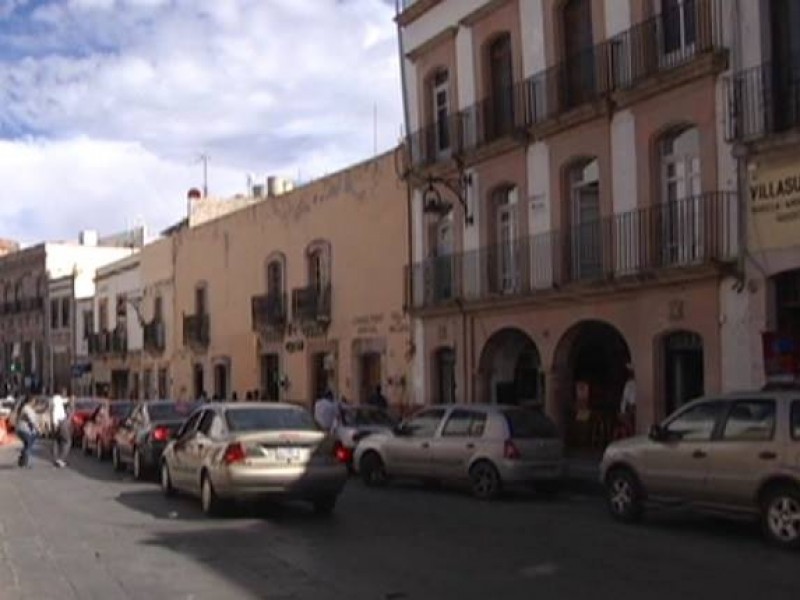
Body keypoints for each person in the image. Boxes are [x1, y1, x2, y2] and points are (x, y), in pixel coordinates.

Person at [15, 396, 40, 468]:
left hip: (26, 430)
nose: (35, 402)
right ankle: (24, 462)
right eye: (34, 401)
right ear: (30, 401)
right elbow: (31, 420)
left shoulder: (28, 408)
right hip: (24, 430)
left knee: (28, 445)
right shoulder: (26, 409)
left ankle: (22, 460)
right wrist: (37, 428)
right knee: (28, 445)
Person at [51, 388, 71, 468]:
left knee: (57, 440)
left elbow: (65, 401)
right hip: (60, 422)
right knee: (67, 441)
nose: (65, 394)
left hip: (55, 423)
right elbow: (65, 401)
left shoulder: (55, 400)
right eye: (64, 392)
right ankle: (61, 459)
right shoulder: (57, 399)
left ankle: (56, 459)